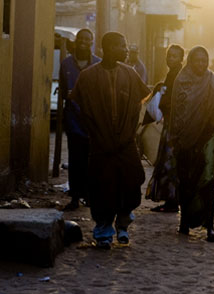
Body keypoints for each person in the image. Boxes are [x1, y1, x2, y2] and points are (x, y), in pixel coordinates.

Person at [70, 32, 150, 249]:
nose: (125, 51)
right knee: (101, 186)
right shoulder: (88, 76)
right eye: (121, 46)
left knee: (133, 179)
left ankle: (123, 223)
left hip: (125, 143)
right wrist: (94, 130)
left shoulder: (130, 74)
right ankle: (103, 230)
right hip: (100, 143)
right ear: (108, 48)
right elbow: (78, 104)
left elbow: (141, 100)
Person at [170, 46, 214, 242]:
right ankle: (184, 222)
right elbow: (175, 112)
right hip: (184, 139)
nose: (201, 64)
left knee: (207, 180)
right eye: (197, 60)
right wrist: (178, 136)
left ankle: (209, 226)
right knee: (186, 180)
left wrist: (204, 125)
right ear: (190, 61)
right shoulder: (181, 81)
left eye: (204, 60)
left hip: (206, 137)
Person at [59, 28, 101, 211]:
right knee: (75, 160)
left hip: (93, 122)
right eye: (81, 39)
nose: (84, 42)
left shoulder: (99, 64)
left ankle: (90, 196)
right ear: (76, 42)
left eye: (87, 39)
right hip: (73, 121)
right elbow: (62, 92)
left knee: (92, 161)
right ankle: (75, 197)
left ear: (92, 42)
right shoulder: (66, 64)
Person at [146, 44, 185, 213]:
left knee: (171, 164)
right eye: (169, 55)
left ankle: (172, 201)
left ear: (181, 59)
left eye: (175, 56)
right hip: (170, 124)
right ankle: (171, 200)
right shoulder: (172, 74)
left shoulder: (179, 75)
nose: (171, 59)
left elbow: (175, 101)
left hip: (176, 127)